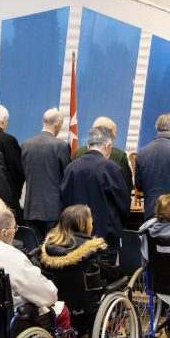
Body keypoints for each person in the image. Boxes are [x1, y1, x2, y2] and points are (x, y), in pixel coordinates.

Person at [40, 205, 117, 331]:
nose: (92, 223)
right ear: (83, 225)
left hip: (59, 308)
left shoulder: (48, 249)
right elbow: (111, 273)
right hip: (89, 311)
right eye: (90, 220)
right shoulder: (91, 249)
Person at [61, 126, 131, 257]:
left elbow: (63, 201)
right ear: (108, 145)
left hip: (75, 239)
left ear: (89, 145)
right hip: (104, 241)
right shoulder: (112, 169)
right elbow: (123, 205)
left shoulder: (71, 168)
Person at [21, 108, 71, 241]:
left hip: (31, 208)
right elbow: (67, 178)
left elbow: (24, 172)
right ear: (58, 125)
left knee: (33, 250)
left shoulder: (26, 144)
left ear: (43, 122)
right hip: (53, 210)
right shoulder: (61, 146)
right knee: (52, 251)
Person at [0, 104, 25, 224]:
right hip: (6, 198)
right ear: (3, 121)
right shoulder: (8, 140)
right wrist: (16, 193)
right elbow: (18, 171)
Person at [72, 116, 133, 193]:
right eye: (115, 133)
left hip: (78, 203)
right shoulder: (119, 156)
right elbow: (126, 188)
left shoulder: (77, 153)